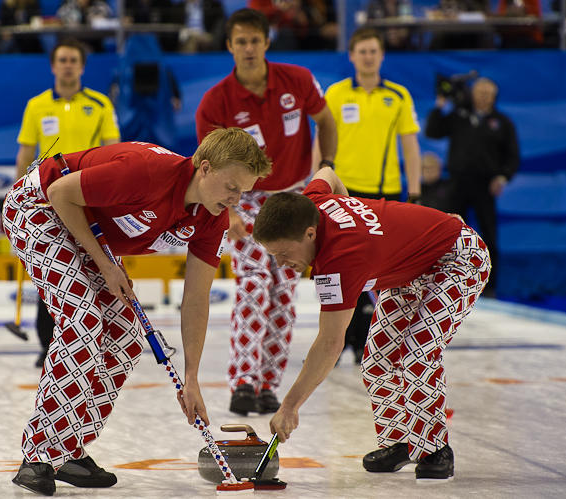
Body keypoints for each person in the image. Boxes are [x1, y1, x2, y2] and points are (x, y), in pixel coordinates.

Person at [3, 127, 272, 496]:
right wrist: (105, 264)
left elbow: (196, 298)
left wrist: (191, 376)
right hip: (39, 208)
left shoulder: (213, 219)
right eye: (232, 187)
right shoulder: (145, 172)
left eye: (243, 191)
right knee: (82, 321)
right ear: (205, 168)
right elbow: (59, 194)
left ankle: (67, 449)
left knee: (128, 338)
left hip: (88, 227)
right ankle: (38, 454)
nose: (236, 199)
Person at [252, 166, 490, 483]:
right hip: (406, 267)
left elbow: (330, 343)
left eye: (283, 253)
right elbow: (327, 172)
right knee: (377, 361)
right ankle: (401, 443)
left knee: (417, 355)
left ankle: (434, 449)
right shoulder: (309, 203)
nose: (280, 264)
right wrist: (357, 219)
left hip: (458, 258)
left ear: (310, 234)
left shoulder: (342, 260)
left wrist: (290, 406)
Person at [195, 8, 337, 416]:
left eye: (255, 40)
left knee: (284, 291)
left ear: (267, 42)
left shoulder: (297, 79)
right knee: (255, 284)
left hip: (293, 196)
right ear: (229, 46)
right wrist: (229, 213)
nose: (249, 48)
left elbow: (326, 121)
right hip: (244, 199)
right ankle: (243, 381)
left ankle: (268, 385)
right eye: (240, 41)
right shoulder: (216, 101)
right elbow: (207, 168)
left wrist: (326, 164)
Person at [316, 27, 421, 364]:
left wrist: (416, 190)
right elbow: (321, 138)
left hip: (383, 193)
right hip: (343, 192)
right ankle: (335, 343)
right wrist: (318, 176)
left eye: (373, 50)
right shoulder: (335, 94)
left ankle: (368, 343)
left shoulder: (399, 96)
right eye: (361, 51)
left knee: (380, 273)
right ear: (351, 55)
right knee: (338, 268)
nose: (367, 56)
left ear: (382, 55)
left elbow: (410, 144)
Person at [16, 38, 121, 367]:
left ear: (82, 66)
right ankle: (48, 346)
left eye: (73, 59)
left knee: (96, 269)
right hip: (48, 201)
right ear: (52, 65)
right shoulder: (36, 105)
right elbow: (25, 152)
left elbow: (114, 151)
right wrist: (19, 193)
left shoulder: (100, 104)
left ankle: (99, 343)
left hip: (90, 199)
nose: (67, 65)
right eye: (62, 59)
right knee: (52, 272)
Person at [425, 77, 519, 298]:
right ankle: (447, 285)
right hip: (457, 183)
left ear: (494, 97)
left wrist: (502, 177)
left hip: (484, 186)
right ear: (472, 94)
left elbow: (513, 157)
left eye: (488, 93)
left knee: (489, 236)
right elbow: (433, 131)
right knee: (450, 234)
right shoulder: (459, 116)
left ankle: (489, 287)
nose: (483, 97)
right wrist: (441, 103)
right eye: (479, 92)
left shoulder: (502, 122)